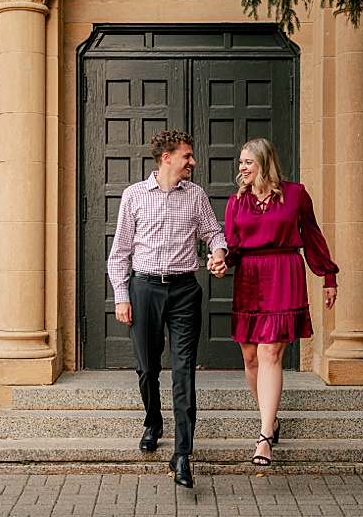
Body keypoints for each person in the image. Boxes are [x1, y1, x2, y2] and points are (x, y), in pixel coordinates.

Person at [107, 129, 228, 489]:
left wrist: (219, 253)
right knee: (147, 368)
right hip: (144, 289)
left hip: (185, 291)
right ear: (167, 159)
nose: (193, 161)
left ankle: (182, 454)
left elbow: (214, 233)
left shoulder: (196, 196)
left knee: (183, 371)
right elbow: (119, 254)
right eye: (187, 155)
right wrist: (122, 295)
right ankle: (153, 421)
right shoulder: (134, 196)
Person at [208, 138, 338, 467]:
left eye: (247, 162)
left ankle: (265, 435)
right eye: (240, 162)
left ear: (265, 163)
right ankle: (272, 418)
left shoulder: (295, 194)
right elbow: (234, 246)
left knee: (269, 352)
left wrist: (328, 276)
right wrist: (222, 262)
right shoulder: (237, 202)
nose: (241, 168)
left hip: (284, 272)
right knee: (251, 358)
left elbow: (312, 235)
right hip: (250, 278)